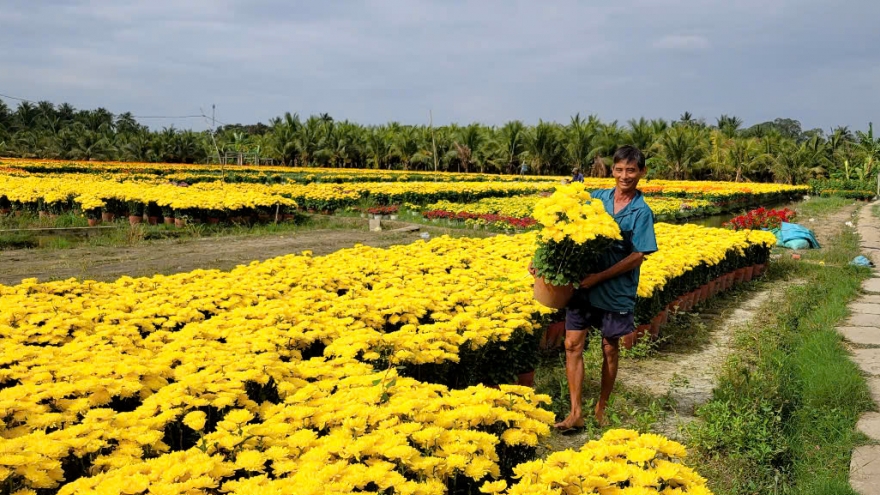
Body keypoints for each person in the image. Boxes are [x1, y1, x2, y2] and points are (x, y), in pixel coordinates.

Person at [556, 145, 657, 430]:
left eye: (631, 170)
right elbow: (565, 220)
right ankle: (575, 412)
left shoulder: (641, 211)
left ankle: (602, 407)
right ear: (612, 170)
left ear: (641, 173)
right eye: (620, 169)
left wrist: (599, 277)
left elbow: (638, 255)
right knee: (572, 344)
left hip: (614, 290)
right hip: (583, 286)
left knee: (609, 349)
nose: (625, 176)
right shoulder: (597, 198)